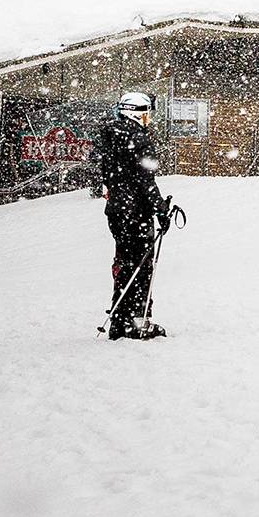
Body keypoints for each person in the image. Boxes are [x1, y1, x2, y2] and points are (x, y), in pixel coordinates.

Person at [93, 91, 177, 340]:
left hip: (117, 211)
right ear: (136, 113)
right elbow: (146, 179)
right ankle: (137, 321)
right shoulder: (139, 139)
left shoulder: (108, 136)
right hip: (136, 213)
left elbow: (106, 174)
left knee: (124, 265)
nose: (148, 118)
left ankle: (119, 322)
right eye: (146, 113)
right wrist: (160, 209)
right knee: (141, 269)